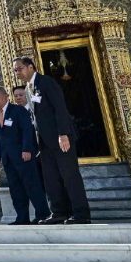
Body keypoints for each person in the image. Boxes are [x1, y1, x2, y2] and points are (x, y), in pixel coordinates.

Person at [12, 56, 89, 224]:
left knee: (70, 176)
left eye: (20, 69)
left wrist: (63, 134)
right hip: (44, 142)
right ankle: (59, 212)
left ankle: (81, 214)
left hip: (60, 138)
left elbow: (60, 108)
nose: (17, 72)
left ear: (31, 67)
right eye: (15, 70)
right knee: (51, 178)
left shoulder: (46, 82)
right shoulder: (28, 88)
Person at [0, 87, 48, 225]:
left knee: (32, 186)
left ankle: (43, 215)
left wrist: (27, 149)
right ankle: (22, 218)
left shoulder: (18, 110)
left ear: (6, 96)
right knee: (16, 190)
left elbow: (27, 130)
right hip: (8, 160)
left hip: (23, 156)